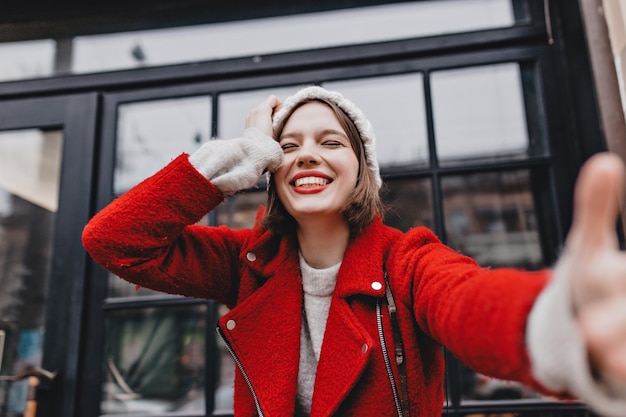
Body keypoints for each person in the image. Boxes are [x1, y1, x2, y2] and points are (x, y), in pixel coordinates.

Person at [82, 86, 626, 417]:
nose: (306, 157)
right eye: (287, 148)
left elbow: (467, 301)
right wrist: (228, 162)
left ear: (363, 170)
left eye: (330, 142)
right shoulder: (245, 263)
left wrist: (560, 319)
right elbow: (114, 241)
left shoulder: (407, 261)